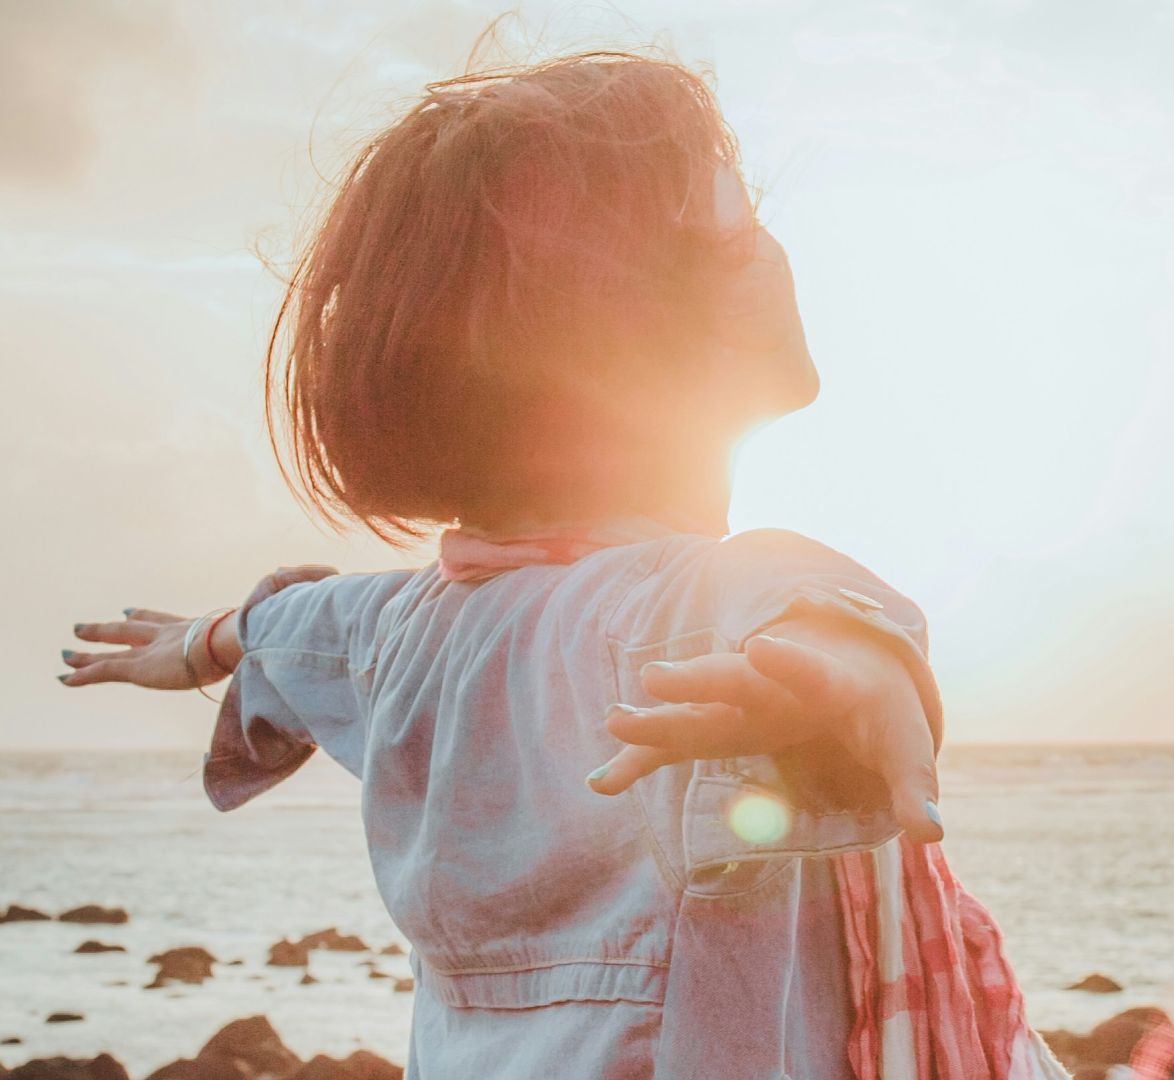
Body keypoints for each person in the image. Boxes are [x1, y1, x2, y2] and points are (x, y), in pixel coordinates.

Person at [59, 50, 1066, 1080]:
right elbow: (796, 610)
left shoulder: (403, 627)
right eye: (731, 228)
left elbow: (290, 628)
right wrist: (845, 675)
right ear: (617, 330)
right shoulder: (686, 604)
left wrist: (197, 644)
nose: (770, 248)